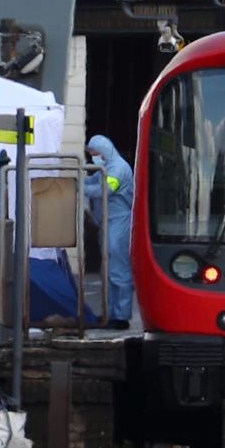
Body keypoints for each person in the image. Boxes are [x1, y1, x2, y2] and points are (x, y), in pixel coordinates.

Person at [85, 135, 134, 330]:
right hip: (108, 223)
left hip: (119, 224)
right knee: (108, 270)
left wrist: (80, 187)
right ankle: (111, 313)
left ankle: (121, 316)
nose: (94, 158)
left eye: (96, 154)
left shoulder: (118, 169)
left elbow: (105, 189)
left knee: (118, 270)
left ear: (104, 151)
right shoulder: (107, 166)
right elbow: (92, 181)